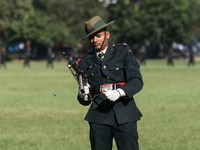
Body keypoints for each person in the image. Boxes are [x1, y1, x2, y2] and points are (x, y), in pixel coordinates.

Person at [77, 15, 143, 150]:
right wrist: (82, 95)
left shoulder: (123, 52)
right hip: (98, 116)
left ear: (107, 35)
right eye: (91, 37)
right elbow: (85, 99)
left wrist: (119, 93)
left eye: (98, 36)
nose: (95, 40)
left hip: (125, 113)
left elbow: (137, 80)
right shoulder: (84, 62)